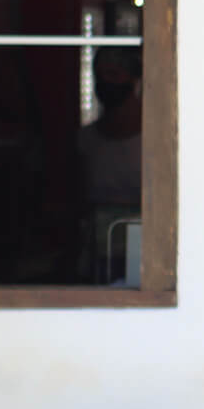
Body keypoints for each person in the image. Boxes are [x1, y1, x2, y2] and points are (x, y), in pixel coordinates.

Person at [79, 47, 143, 284]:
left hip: (144, 251)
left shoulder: (155, 142)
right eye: (101, 75)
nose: (106, 82)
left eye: (114, 74)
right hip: (96, 255)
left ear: (134, 79)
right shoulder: (86, 139)